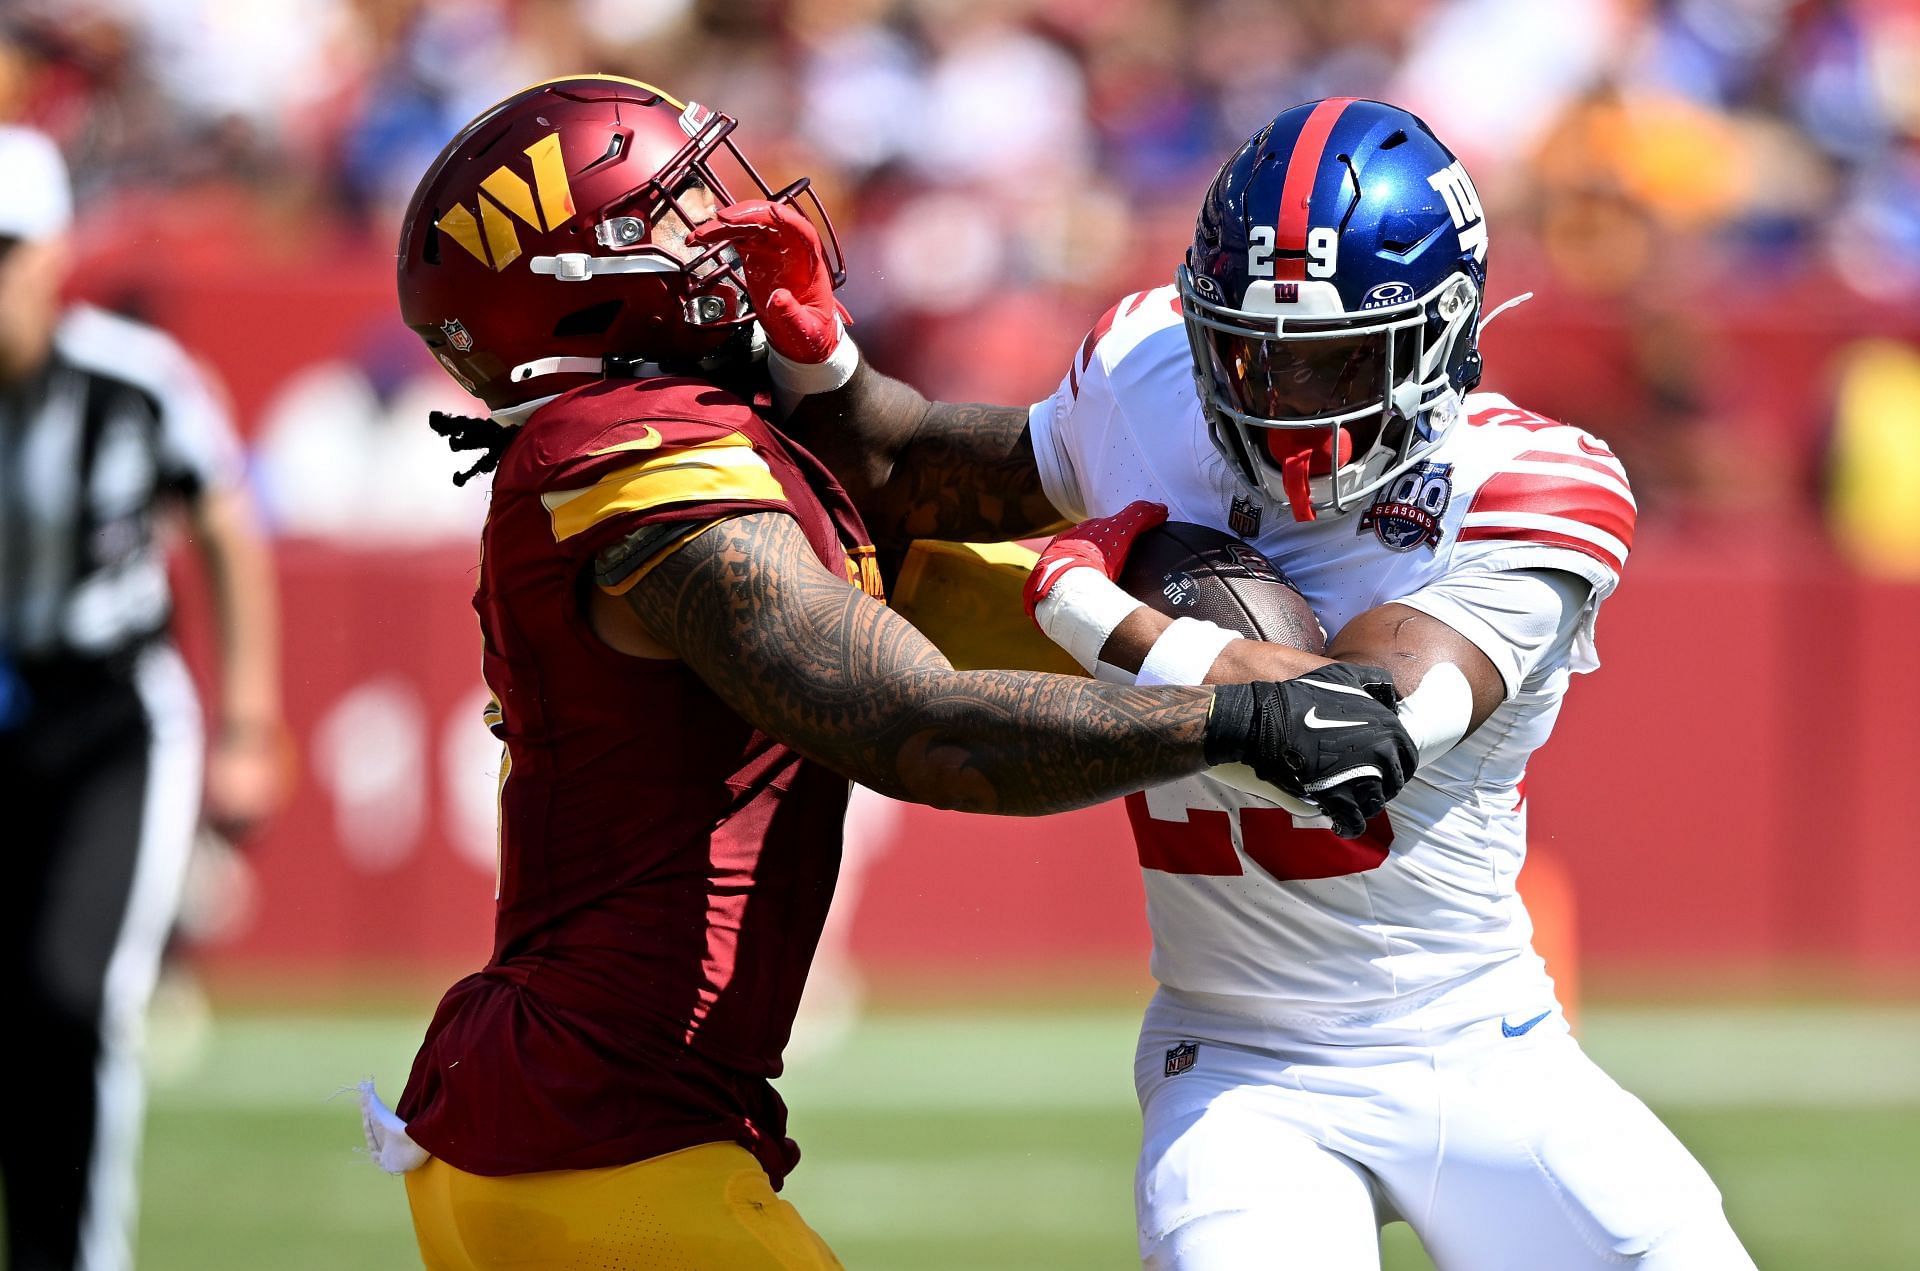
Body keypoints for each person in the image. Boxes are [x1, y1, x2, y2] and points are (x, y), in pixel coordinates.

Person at [362, 76, 1419, 1270]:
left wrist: (827, 372)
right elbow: (914, 726)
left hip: (585, 1124)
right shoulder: (631, 459)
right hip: (597, 1138)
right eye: (669, 208)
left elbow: (933, 472)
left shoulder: (690, 426)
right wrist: (1229, 721)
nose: (720, 219)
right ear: (577, 277)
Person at [699, 98, 1755, 1268]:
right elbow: (913, 464)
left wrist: (1091, 609)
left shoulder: (1528, 484)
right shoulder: (1150, 371)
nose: (1283, 406)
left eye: (1337, 362)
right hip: (1245, 1064)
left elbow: (1357, 734)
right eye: (1249, 354)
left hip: (1479, 1042)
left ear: (1443, 333)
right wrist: (817, 354)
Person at [0, 125, 284, 1271]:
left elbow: (223, 521)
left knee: (70, 999)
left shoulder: (132, 381)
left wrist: (251, 719)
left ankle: (74, 1255)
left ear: (56, 251)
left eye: (5, 250)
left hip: (107, 715)